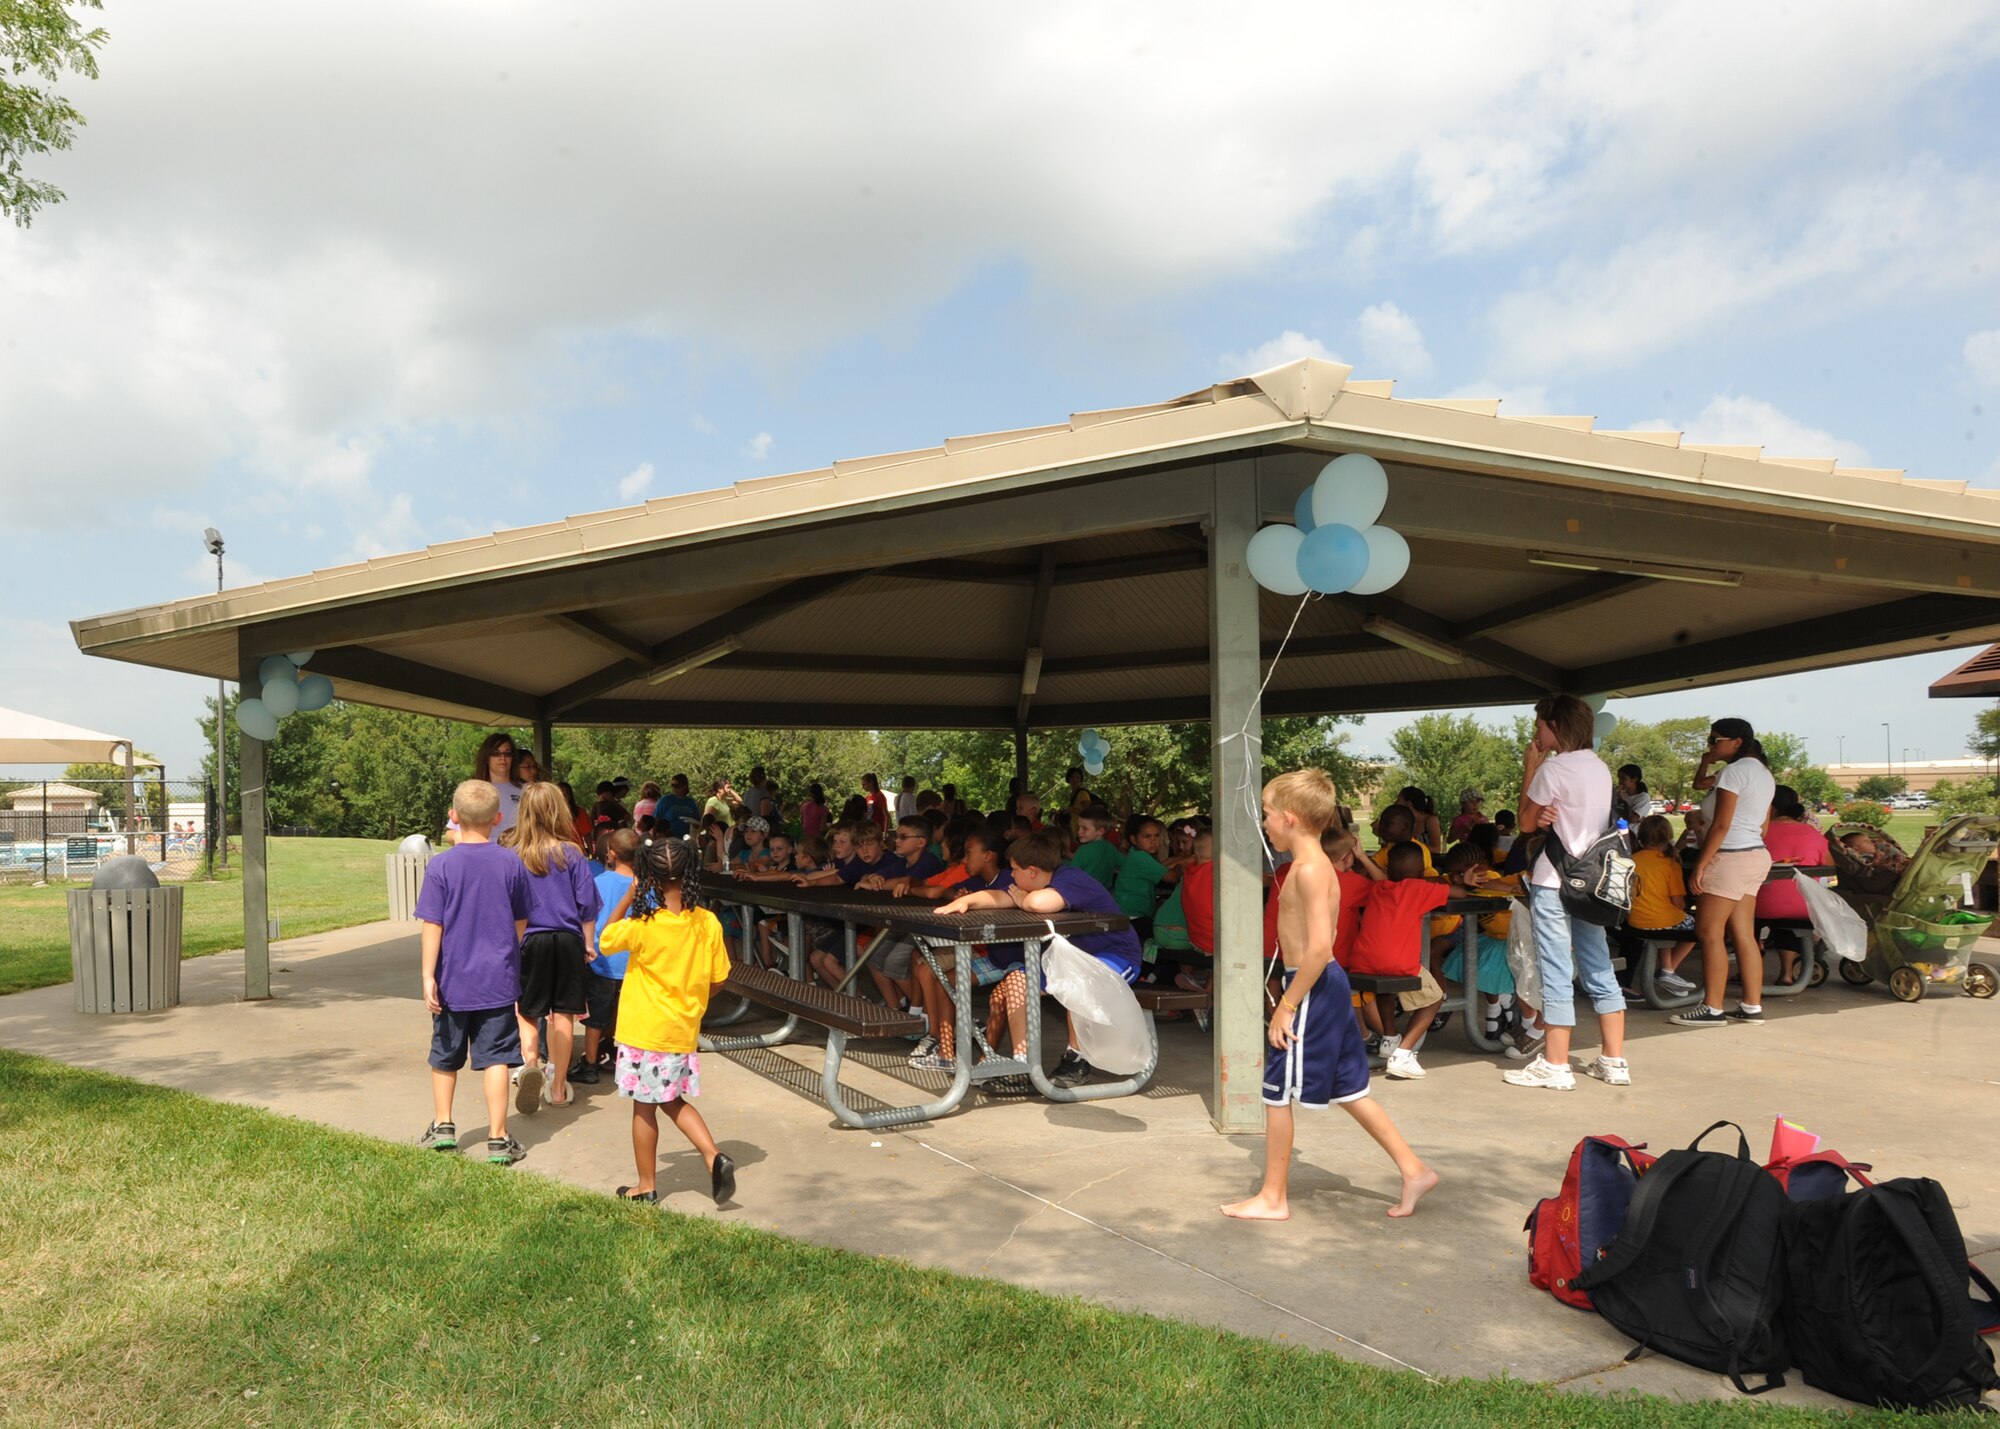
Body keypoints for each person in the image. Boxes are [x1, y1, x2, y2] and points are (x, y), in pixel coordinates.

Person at [1220, 769, 1436, 1222]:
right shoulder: (1309, 867)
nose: (1264, 824)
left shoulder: (1312, 871)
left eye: (1267, 814)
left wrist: (1287, 1005)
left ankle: (1273, 1198)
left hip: (1312, 987)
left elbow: (1320, 947)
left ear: (1290, 818)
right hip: (1319, 985)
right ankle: (1414, 1170)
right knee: (1350, 1089)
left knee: (1276, 1091)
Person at [935, 828, 1143, 1090]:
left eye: (1015, 870)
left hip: (1117, 955)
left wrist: (1024, 901)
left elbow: (1038, 904)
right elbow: (1000, 897)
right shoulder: (1030, 887)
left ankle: (1076, 1061)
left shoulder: (1071, 878)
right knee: (1016, 979)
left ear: (1032, 871)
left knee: (1076, 981)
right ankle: (1022, 1064)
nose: (1011, 875)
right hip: (1071, 961)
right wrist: (967, 902)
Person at [597, 835, 738, 1206]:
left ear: (648, 876)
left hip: (645, 1030)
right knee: (671, 1098)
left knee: (644, 1107)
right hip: (682, 1029)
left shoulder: (643, 924)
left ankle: (646, 1185)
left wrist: (630, 895)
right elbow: (719, 978)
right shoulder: (707, 923)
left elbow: (606, 939)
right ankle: (713, 1156)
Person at [1503, 692, 1627, 1091]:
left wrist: (1531, 766)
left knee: (1555, 969)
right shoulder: (1600, 768)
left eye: (1540, 724)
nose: (1536, 732)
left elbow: (1525, 823)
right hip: (1591, 882)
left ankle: (1556, 1064)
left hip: (1554, 879)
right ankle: (1614, 1060)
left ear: (1555, 726)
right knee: (1598, 965)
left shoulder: (1553, 769)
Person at [414, 779, 534, 1165]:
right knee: (497, 1057)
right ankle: (498, 1138)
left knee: (444, 1054)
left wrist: (428, 975)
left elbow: (433, 924)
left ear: (453, 816)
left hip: (452, 981)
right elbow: (521, 919)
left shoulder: (441, 865)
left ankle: (443, 1125)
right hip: (497, 979)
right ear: (498, 819)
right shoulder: (511, 863)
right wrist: (508, 948)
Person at [1670, 718, 1777, 1028]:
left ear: (1737, 742)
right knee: (1744, 933)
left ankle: (1712, 1007)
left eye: (1715, 740)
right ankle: (1751, 1005)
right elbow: (1763, 827)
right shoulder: (1764, 774)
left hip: (1730, 856)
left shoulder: (1734, 771)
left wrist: (1701, 864)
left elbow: (1721, 824)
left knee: (1709, 932)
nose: (1710, 745)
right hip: (1755, 854)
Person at [502, 781, 601, 1112]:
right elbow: (587, 904)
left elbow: (506, 905)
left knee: (528, 1011)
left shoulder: (513, 856)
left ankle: (531, 1064)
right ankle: (558, 1087)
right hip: (568, 940)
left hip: (530, 940)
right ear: (559, 811)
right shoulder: (572, 853)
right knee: (564, 1014)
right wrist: (588, 943)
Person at [1349, 842, 1451, 1079]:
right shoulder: (1419, 889)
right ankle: (1403, 1053)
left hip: (1362, 962)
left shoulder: (1378, 888)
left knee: (1385, 984)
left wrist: (1363, 858)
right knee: (1435, 998)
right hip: (1399, 964)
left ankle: (1390, 1037)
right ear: (1422, 870)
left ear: (1388, 870)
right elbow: (1458, 893)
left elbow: (1382, 879)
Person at [576, 827, 640, 1084]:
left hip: (601, 961)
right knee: (620, 1011)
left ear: (611, 853)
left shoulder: (599, 882)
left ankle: (590, 1064)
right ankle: (614, 1052)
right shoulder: (644, 885)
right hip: (632, 962)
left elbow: (585, 917)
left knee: (595, 1017)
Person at [1756, 785, 1831, 984]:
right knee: (1787, 912)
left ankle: (1750, 967)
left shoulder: (1757, 833)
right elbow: (1830, 864)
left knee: (1740, 917)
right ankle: (1787, 973)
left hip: (1759, 904)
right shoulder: (1812, 833)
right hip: (1804, 905)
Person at [1622, 813, 1698, 995]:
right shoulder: (1670, 864)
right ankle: (1668, 970)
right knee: (1697, 926)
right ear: (1668, 836)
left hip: (1635, 921)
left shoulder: (1631, 860)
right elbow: (1678, 903)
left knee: (1668, 920)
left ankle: (1667, 969)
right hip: (1663, 920)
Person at [446, 732, 525, 841]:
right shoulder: (474, 790)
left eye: (507, 753)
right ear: (486, 757)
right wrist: (457, 837)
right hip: (484, 850)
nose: (502, 757)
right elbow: (451, 832)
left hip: (519, 851)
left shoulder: (526, 790)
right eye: (496, 753)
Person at [1112, 817, 1172, 939]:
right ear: (1134, 840)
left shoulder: (1137, 854)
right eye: (1147, 836)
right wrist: (1185, 863)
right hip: (1132, 917)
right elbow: (1171, 877)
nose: (1153, 841)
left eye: (1156, 836)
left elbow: (1162, 867)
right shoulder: (1140, 857)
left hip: (1131, 914)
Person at [1070, 805, 1125, 893]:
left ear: (1100, 831)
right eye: (1079, 827)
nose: (1079, 832)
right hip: (1105, 895)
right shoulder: (1110, 848)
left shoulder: (1083, 850)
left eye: (1084, 829)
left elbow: (1071, 876)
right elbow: (1125, 864)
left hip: (1085, 895)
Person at [655, 774, 701, 839]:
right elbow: (656, 819)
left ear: (684, 786)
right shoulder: (665, 800)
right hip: (667, 837)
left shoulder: (691, 802)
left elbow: (697, 821)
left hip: (686, 838)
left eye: (677, 786)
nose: (674, 788)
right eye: (672, 785)